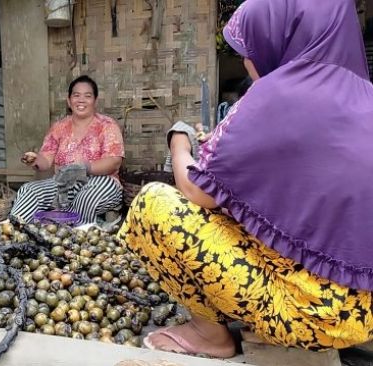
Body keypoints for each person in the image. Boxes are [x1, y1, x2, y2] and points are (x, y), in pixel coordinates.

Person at [119, 0, 373, 358]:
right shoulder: (365, 99)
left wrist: (178, 142)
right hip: (363, 315)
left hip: (309, 316)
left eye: (248, 49)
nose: (247, 61)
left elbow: (195, 188)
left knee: (153, 204)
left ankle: (210, 334)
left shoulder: (279, 95)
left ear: (279, 38)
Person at [10, 75, 124, 225]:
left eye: (87, 96)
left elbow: (114, 162)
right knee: (29, 190)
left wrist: (83, 167)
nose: (81, 100)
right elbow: (45, 160)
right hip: (64, 183)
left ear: (95, 101)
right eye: (76, 95)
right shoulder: (59, 127)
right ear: (69, 101)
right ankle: (14, 233)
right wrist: (35, 159)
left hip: (102, 183)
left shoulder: (107, 125)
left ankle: (75, 238)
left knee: (86, 197)